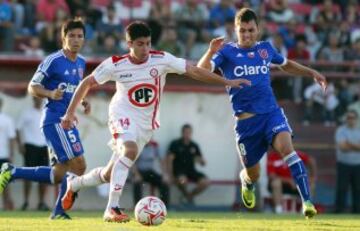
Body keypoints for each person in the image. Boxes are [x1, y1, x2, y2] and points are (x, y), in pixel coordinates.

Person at [60, 21, 250, 223]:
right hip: (121, 115)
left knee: (109, 175)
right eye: (140, 44)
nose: (145, 49)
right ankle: (111, 208)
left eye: (148, 43)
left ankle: (74, 184)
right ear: (129, 43)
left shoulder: (161, 60)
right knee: (130, 150)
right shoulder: (115, 64)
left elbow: (194, 71)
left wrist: (227, 81)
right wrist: (70, 113)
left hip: (145, 124)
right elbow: (87, 82)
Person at [197, 8, 327, 218]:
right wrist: (210, 51)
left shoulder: (265, 49)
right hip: (246, 125)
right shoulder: (226, 52)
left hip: (271, 114)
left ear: (258, 29)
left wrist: (311, 72)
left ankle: (307, 202)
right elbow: (200, 72)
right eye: (242, 31)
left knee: (287, 148)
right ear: (235, 30)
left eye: (250, 30)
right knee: (253, 173)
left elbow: (286, 65)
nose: (247, 35)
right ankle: (247, 181)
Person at [0, 18, 89, 219]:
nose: (76, 40)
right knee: (79, 166)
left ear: (84, 39)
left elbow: (74, 90)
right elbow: (32, 87)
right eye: (72, 36)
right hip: (55, 120)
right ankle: (60, 211)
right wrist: (50, 94)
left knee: (58, 174)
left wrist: (82, 102)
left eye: (80, 36)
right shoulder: (53, 60)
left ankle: (13, 172)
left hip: (67, 120)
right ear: (63, 38)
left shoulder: (81, 62)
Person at [16, 97, 50, 211]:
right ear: (33, 99)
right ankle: (26, 202)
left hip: (44, 147)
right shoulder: (27, 113)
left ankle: (42, 202)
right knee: (28, 175)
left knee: (44, 176)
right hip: (30, 146)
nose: (39, 100)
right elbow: (18, 128)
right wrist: (20, 144)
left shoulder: (46, 112)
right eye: (37, 98)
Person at [167, 124, 209, 204]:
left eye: (189, 132)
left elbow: (201, 160)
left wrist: (202, 161)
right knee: (183, 180)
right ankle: (187, 196)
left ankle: (189, 196)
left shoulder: (194, 145)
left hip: (191, 171)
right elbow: (169, 160)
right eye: (186, 132)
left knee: (205, 182)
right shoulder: (175, 144)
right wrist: (170, 175)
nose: (187, 134)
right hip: (179, 171)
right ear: (182, 133)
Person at [334, 110, 360, 214]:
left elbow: (346, 145)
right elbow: (342, 147)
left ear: (356, 119)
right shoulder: (340, 130)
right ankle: (339, 210)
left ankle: (357, 211)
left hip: (358, 164)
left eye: (352, 118)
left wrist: (349, 144)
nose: (350, 120)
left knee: (358, 190)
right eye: (348, 118)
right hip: (343, 164)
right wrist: (356, 146)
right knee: (342, 188)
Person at [132, 139, 169, 207]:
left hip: (150, 172)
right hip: (140, 172)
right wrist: (136, 174)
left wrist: (164, 174)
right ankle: (137, 206)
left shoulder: (155, 146)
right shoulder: (137, 145)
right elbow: (132, 162)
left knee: (164, 183)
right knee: (136, 182)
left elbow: (162, 161)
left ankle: (164, 206)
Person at [0, 98, 16, 210]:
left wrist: (11, 154)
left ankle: (7, 206)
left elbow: (11, 138)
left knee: (5, 184)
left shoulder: (7, 120)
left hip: (4, 155)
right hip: (4, 155)